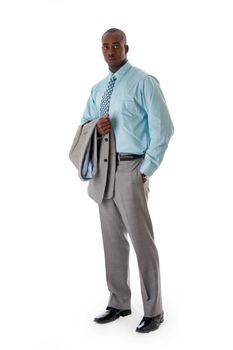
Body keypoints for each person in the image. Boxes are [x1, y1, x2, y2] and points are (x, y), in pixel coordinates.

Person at [80, 28, 174, 333]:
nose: (110, 50)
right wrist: (98, 125)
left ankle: (154, 310)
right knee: (112, 241)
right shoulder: (97, 89)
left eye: (115, 45)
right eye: (105, 46)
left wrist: (146, 169)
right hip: (103, 172)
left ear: (126, 47)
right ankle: (119, 301)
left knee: (142, 242)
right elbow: (84, 124)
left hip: (131, 169)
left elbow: (164, 128)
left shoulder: (144, 82)